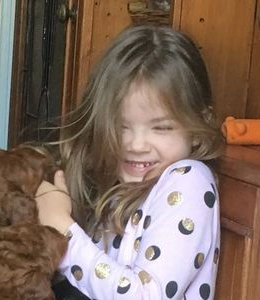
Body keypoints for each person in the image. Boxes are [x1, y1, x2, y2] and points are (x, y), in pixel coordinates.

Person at [36, 24, 224, 300]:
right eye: (121, 127)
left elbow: (145, 296)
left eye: (161, 128)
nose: (136, 145)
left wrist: (62, 229)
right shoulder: (120, 186)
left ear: (198, 129)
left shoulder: (189, 180)